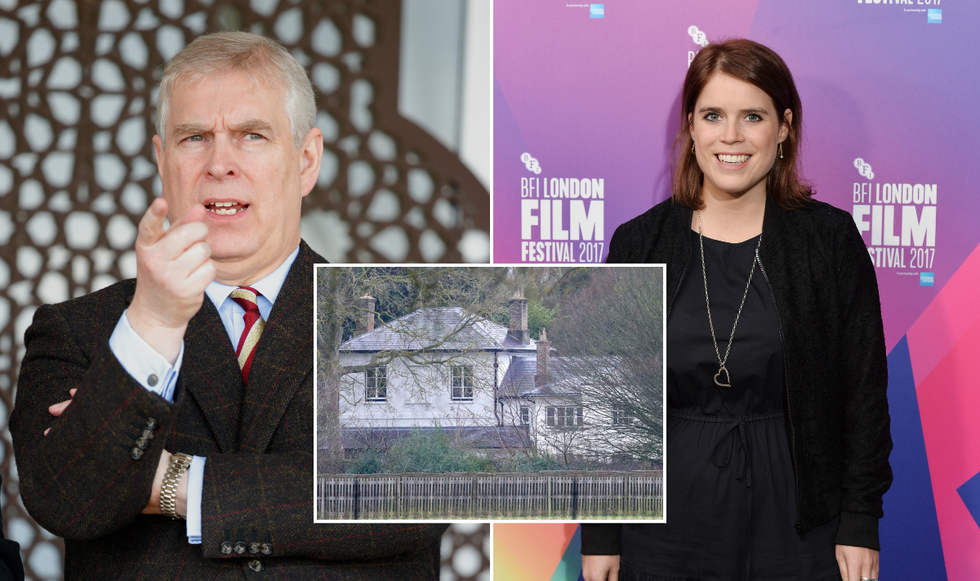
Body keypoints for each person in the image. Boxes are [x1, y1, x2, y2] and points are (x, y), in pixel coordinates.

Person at [11, 32, 447, 579]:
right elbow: (66, 498)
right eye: (194, 137)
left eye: (252, 136)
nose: (221, 163)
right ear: (161, 157)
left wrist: (175, 483)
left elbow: (417, 493)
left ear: (307, 159)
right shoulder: (75, 331)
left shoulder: (409, 319)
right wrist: (153, 323)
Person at [583, 39, 891, 581]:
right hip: (664, 520)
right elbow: (614, 399)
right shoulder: (639, 242)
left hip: (799, 514)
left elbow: (863, 391)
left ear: (784, 126)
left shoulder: (829, 240)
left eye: (753, 116)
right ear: (691, 127)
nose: (731, 136)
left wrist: (861, 518)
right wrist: (602, 532)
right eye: (713, 115)